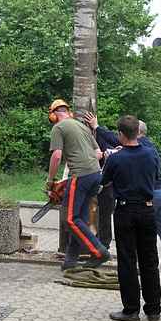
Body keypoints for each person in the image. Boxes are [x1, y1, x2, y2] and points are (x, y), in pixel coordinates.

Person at [84, 113, 161, 266]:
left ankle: (139, 264)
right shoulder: (150, 149)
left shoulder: (143, 146)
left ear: (137, 132)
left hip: (148, 197)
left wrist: (98, 128)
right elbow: (118, 140)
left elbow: (116, 140)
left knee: (140, 231)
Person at [102, 115, 161, 321]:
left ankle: (131, 311)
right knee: (150, 260)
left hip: (125, 212)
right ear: (138, 132)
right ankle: (153, 310)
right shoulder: (151, 154)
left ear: (120, 134)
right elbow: (155, 177)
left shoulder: (116, 158)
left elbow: (105, 180)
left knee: (127, 261)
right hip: (147, 211)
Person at [47, 99, 110, 270]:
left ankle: (99, 251)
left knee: (70, 219)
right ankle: (70, 261)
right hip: (96, 174)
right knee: (79, 218)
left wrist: (50, 181)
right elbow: (98, 153)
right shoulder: (82, 126)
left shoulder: (58, 128)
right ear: (69, 112)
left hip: (80, 176)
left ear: (53, 115)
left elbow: (57, 156)